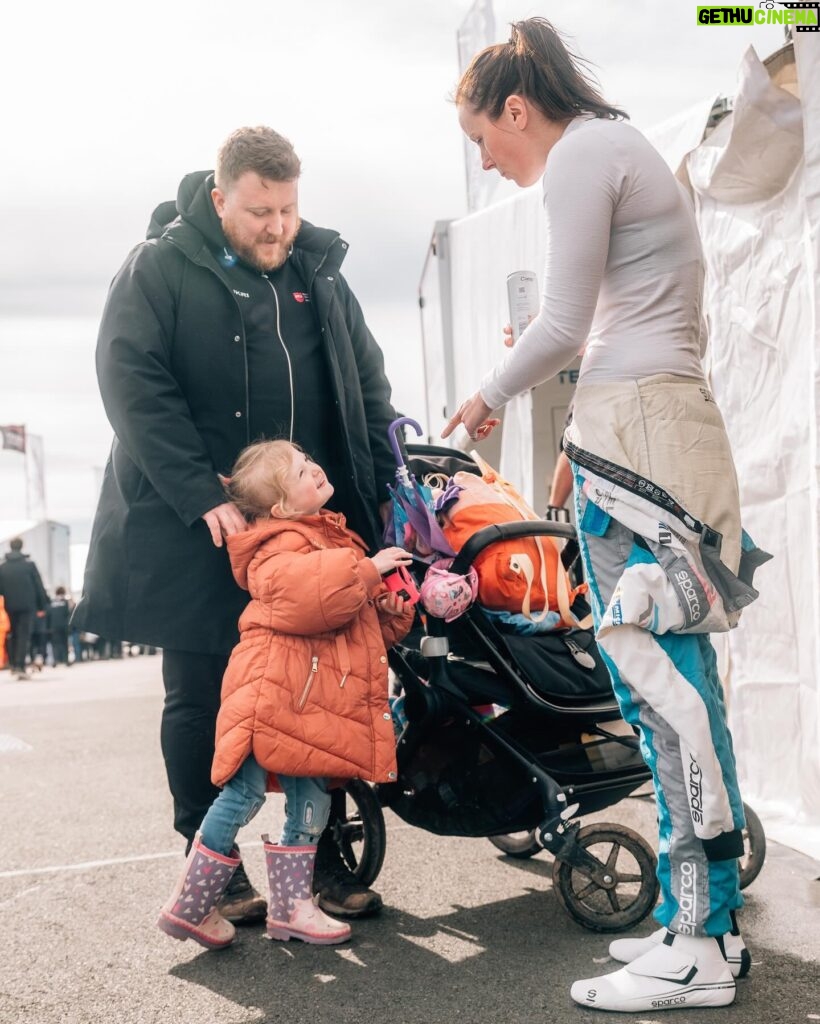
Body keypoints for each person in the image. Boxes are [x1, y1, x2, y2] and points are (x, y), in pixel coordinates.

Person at [443, 18, 766, 1014]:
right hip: (630, 435)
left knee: (663, 687)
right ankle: (690, 924)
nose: (489, 163)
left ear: (515, 108)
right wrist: (570, 452)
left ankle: (703, 940)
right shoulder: (609, 149)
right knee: (657, 689)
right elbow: (604, 326)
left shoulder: (586, 151)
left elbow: (565, 322)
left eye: (482, 140)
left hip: (644, 436)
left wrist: (487, 394)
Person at [73, 125, 401, 923]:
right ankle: (214, 866)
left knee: (320, 687)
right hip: (197, 526)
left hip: (305, 533)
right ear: (220, 199)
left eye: (287, 209)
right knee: (201, 691)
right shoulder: (158, 266)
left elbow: (366, 380)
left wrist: (386, 485)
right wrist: (200, 490)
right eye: (259, 211)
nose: (276, 228)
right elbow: (131, 379)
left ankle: (319, 861)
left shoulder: (318, 273)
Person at [158, 440, 414, 949]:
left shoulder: (324, 536)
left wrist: (391, 605)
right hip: (272, 696)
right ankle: (191, 905)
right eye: (301, 471)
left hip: (301, 699)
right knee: (245, 792)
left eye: (309, 460)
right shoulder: (275, 546)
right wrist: (368, 572)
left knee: (311, 796)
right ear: (278, 507)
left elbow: (348, 620)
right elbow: (312, 596)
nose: (315, 469)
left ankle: (292, 907)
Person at [0, 538, 48, 681]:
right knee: (23, 635)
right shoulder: (29, 565)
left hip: (10, 605)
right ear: (22, 547)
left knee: (13, 634)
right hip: (27, 606)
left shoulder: (3, 567)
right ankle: (20, 666)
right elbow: (38, 585)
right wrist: (41, 606)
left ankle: (14, 664)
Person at [47, 586, 74, 666]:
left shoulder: (51, 602)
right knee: (65, 643)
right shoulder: (65, 602)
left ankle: (55, 660)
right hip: (64, 625)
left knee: (55, 644)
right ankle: (66, 660)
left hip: (54, 626)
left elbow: (49, 614)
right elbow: (68, 613)